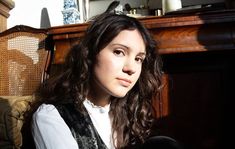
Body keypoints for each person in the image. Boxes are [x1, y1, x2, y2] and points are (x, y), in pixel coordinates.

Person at [28, 12, 163, 149]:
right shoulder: (52, 117)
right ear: (90, 53)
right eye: (118, 52)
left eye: (138, 59)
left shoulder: (130, 113)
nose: (131, 68)